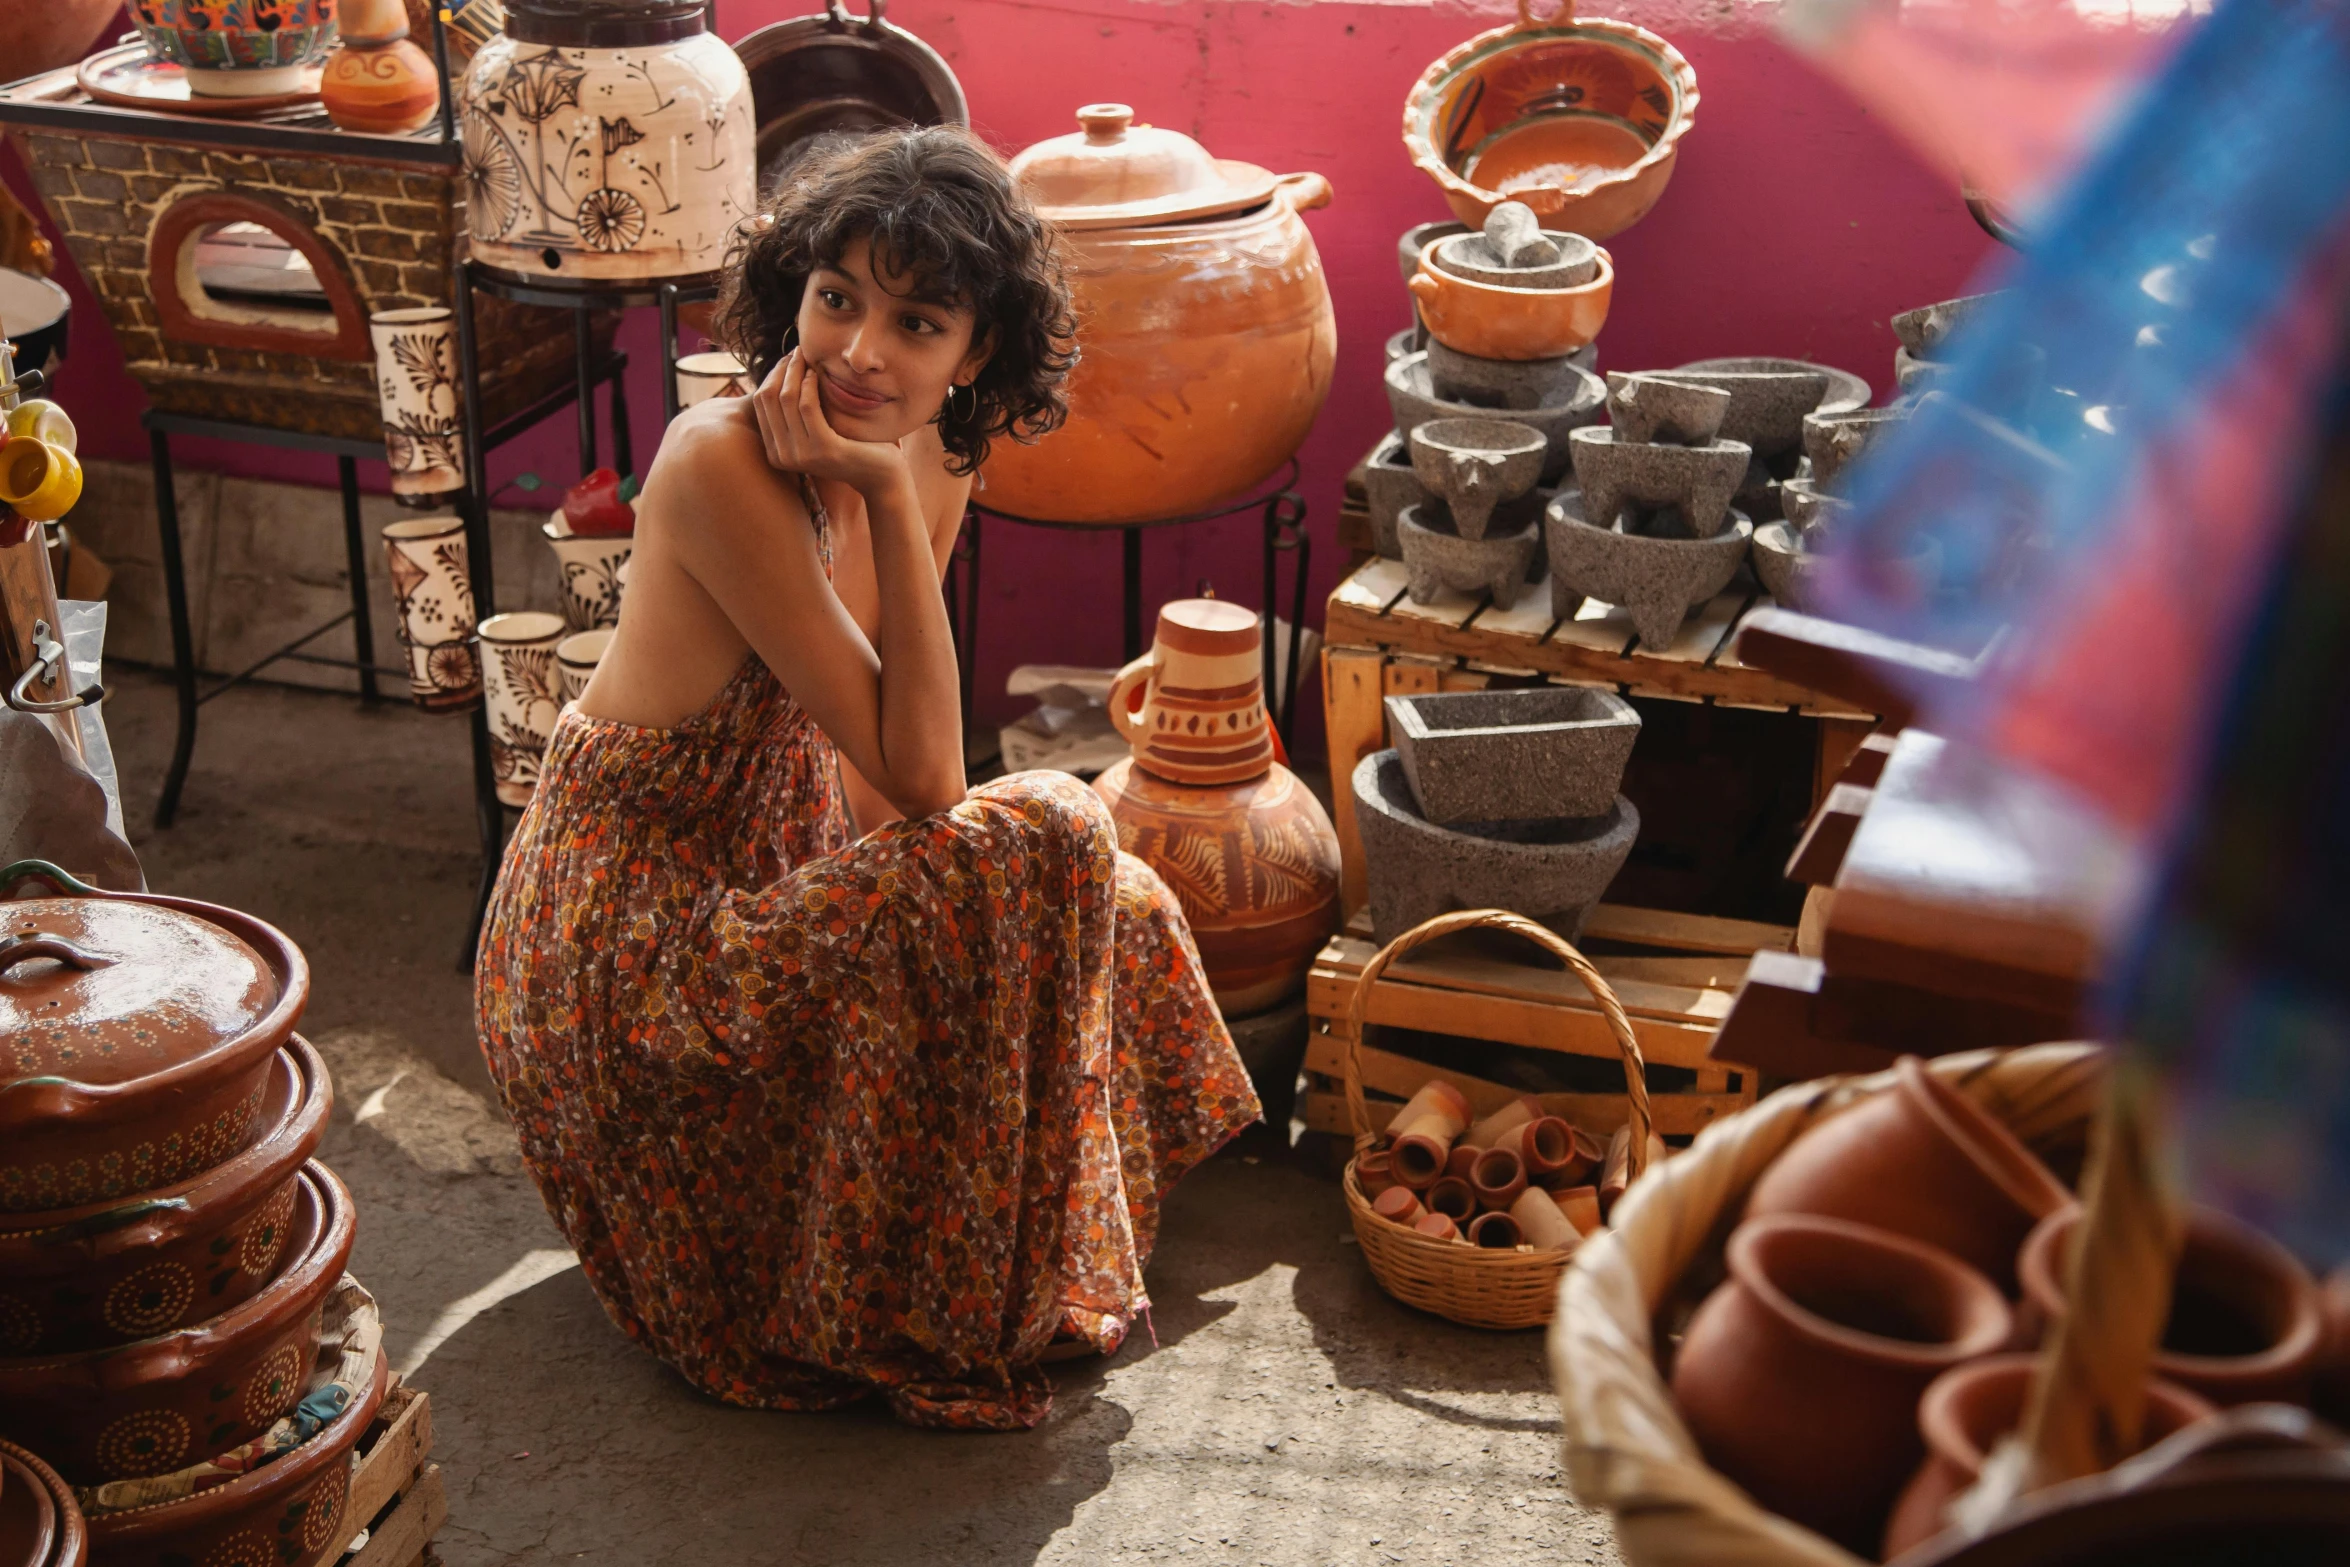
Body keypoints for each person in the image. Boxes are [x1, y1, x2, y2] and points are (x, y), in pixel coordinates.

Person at [474, 128, 1259, 1431]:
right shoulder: (720, 461)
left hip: (767, 887)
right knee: (1046, 817)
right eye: (836, 298)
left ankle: (1014, 1245)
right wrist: (882, 501)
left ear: (976, 354)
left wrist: (995, 938)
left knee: (1097, 886)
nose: (861, 351)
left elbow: (892, 793)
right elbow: (931, 775)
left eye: (918, 321)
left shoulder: (938, 449)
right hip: (628, 952)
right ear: (792, 292)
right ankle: (967, 1266)